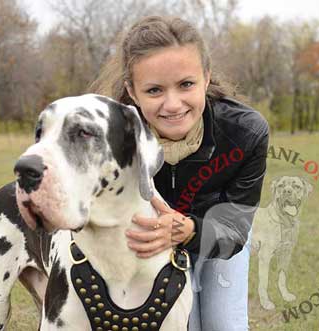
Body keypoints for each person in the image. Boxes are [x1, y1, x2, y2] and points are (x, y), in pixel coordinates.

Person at [90, 16, 269, 331]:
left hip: (218, 231)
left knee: (222, 325)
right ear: (132, 90)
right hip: (151, 239)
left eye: (186, 84)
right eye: (155, 90)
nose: (173, 105)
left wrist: (189, 230)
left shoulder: (246, 132)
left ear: (206, 76)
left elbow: (235, 229)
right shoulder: (110, 138)